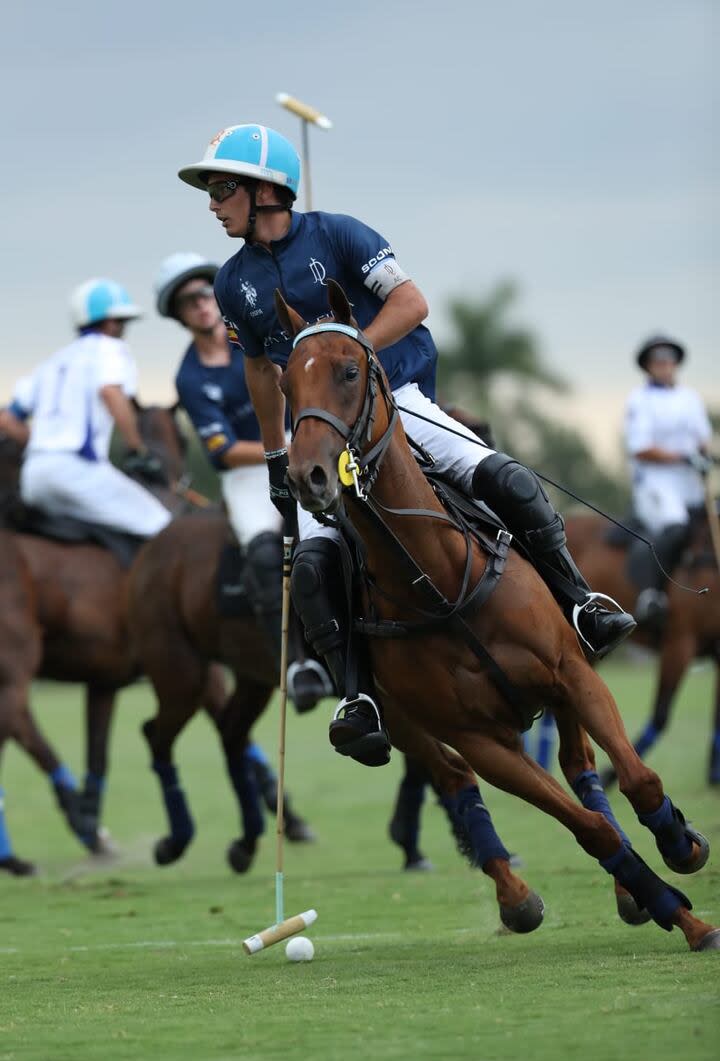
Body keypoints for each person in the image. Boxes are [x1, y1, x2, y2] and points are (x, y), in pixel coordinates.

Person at [178, 124, 635, 767]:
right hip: (315, 431)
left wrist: (351, 351)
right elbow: (259, 370)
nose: (211, 203)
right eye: (211, 191)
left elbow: (411, 302)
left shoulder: (340, 233)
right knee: (313, 564)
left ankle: (581, 602)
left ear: (266, 192)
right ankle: (358, 697)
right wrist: (277, 454)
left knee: (504, 478)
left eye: (221, 188)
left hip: (396, 401)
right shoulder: (233, 282)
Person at [154, 252, 331, 708]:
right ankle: (295, 664)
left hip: (306, 440)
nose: (200, 304)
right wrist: (284, 451)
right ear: (180, 315)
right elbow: (222, 451)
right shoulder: (190, 377)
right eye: (188, 301)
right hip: (250, 470)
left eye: (204, 293)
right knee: (263, 550)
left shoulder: (252, 333)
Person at [1, 279, 172, 538]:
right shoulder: (112, 349)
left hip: (34, 477)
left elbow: (6, 420)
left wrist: (42, 443)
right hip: (77, 471)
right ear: (109, 322)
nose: (123, 329)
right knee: (165, 529)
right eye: (121, 322)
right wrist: (138, 450)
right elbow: (110, 392)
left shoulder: (52, 361)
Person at [625, 334, 713, 625]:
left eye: (669, 361)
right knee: (676, 528)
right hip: (655, 485)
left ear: (675, 365)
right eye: (658, 362)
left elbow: (703, 441)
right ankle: (651, 595)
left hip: (690, 484)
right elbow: (641, 449)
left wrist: (706, 455)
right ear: (648, 367)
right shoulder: (640, 400)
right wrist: (683, 457)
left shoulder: (690, 398)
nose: (664, 366)